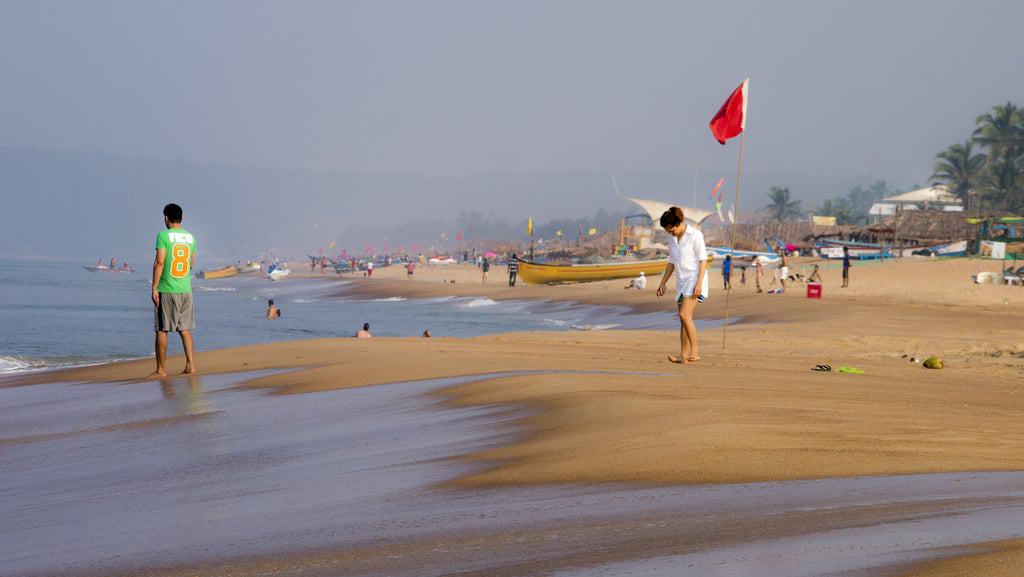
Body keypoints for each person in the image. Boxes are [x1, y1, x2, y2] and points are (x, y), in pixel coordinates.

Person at [149, 203, 197, 378]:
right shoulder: (191, 238)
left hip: (167, 289)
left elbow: (160, 262)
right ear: (181, 218)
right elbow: (191, 264)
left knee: (162, 329)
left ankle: (161, 370)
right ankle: (190, 365)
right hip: (186, 289)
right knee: (185, 329)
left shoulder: (163, 236)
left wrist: (154, 286)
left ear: (166, 218)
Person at [655, 206, 707, 365]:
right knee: (683, 320)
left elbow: (703, 260)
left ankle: (695, 352)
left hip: (694, 279)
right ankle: (683, 356)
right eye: (667, 231)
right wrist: (662, 283)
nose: (670, 233)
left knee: (685, 315)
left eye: (671, 230)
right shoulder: (672, 239)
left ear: (678, 224)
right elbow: (671, 262)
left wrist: (699, 284)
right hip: (681, 281)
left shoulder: (695, 235)